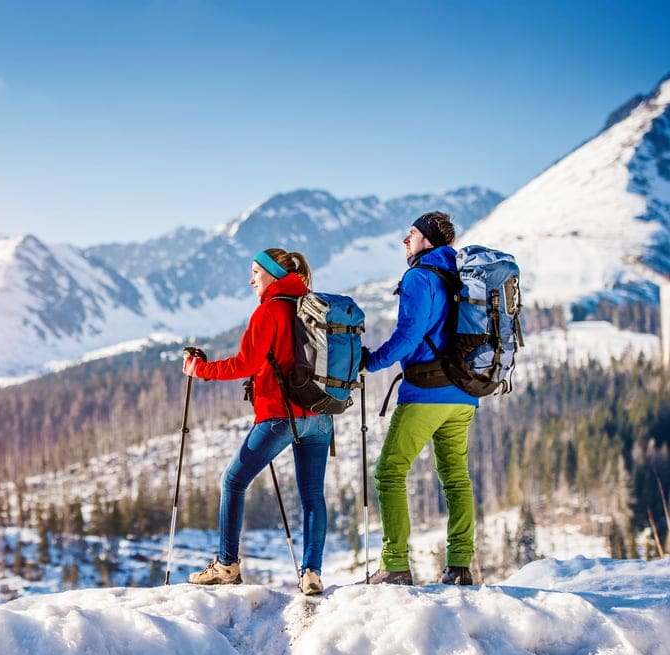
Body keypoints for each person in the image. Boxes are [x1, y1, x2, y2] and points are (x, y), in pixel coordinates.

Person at [182, 248, 333, 596]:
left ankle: (226, 565)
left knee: (233, 482)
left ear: (274, 274)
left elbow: (243, 364)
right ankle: (312, 573)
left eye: (255, 272)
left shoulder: (271, 310)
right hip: (321, 416)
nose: (251, 280)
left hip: (280, 416)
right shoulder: (309, 304)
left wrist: (199, 369)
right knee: (312, 495)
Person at [361, 211, 478, 586]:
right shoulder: (458, 276)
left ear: (427, 240)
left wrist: (371, 361)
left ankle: (394, 564)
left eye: (410, 233)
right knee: (455, 478)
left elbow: (408, 336)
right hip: (464, 393)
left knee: (390, 472)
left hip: (427, 393)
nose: (404, 240)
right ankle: (459, 565)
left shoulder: (419, 277)